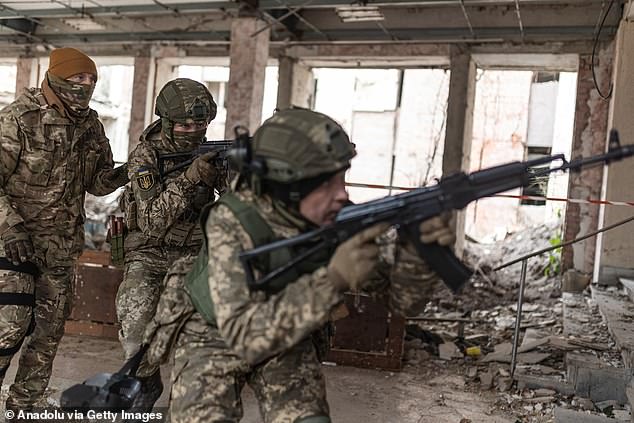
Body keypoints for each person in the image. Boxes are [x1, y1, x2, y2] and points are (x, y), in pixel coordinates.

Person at [142, 108, 454, 422]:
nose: (342, 194)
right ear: (286, 185)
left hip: (285, 331)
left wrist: (418, 254)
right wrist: (332, 280)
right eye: (326, 184)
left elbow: (403, 301)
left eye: (342, 178)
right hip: (214, 332)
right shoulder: (234, 218)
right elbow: (243, 334)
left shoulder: (334, 218)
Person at [0, 47, 128, 412]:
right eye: (78, 79)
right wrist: (9, 228)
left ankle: (26, 403)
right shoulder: (19, 119)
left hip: (59, 248)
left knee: (49, 329)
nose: (85, 86)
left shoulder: (90, 126)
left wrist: (132, 170)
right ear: (56, 78)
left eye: (90, 80)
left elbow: (98, 182)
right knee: (9, 327)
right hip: (12, 244)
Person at [115, 77, 226, 411]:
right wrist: (190, 179)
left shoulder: (212, 152)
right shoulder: (145, 156)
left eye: (200, 124)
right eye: (183, 124)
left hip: (195, 255)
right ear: (166, 121)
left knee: (199, 338)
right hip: (148, 254)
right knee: (135, 334)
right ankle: (147, 385)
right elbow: (151, 221)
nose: (192, 130)